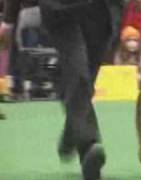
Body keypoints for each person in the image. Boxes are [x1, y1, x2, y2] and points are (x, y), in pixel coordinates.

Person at [0, 0, 119, 180]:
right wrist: (9, 19)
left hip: (102, 11)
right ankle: (88, 145)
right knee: (78, 74)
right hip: (61, 9)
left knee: (84, 80)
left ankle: (73, 127)